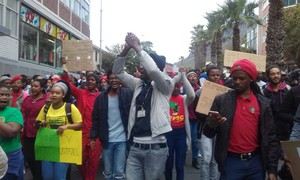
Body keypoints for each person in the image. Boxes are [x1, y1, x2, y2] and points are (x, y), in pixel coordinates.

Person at [203, 59, 279, 180]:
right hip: (230, 163)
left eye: (242, 79)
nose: (237, 82)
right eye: (234, 78)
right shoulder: (221, 100)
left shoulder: (263, 103)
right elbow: (207, 132)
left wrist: (272, 169)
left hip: (256, 163)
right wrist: (211, 124)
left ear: (251, 78)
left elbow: (271, 137)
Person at [113, 32, 174, 180]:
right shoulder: (138, 84)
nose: (141, 69)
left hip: (156, 149)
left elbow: (153, 70)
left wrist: (136, 46)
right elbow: (117, 72)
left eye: (143, 66)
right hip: (135, 147)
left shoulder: (165, 85)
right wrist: (126, 49)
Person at [61, 62, 101, 180]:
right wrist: (65, 69)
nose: (90, 81)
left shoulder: (101, 97)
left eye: (93, 80)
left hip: (96, 136)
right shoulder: (81, 93)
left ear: (97, 83)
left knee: (93, 163)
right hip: (80, 133)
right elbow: (68, 84)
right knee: (78, 160)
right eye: (88, 80)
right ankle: (86, 177)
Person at [35, 81, 82, 180]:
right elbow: (37, 122)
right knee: (47, 177)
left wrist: (67, 127)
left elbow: (80, 124)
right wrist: (41, 123)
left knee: (59, 177)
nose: (54, 95)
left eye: (57, 93)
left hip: (64, 147)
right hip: (48, 146)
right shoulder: (46, 107)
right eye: (52, 93)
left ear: (63, 95)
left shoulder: (70, 107)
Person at [90, 71, 133, 180]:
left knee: (119, 173)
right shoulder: (101, 98)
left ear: (120, 80)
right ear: (108, 80)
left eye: (116, 78)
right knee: (108, 173)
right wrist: (93, 137)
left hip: (122, 140)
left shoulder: (128, 94)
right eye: (111, 78)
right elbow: (95, 119)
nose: (114, 80)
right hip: (107, 140)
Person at [165, 69, 193, 180]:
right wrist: (175, 78)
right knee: (168, 163)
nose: (176, 88)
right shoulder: (165, 98)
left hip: (181, 133)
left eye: (178, 86)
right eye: (174, 86)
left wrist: (183, 76)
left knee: (180, 165)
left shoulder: (184, 98)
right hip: (169, 133)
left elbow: (191, 94)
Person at [194, 64, 221, 180]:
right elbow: (197, 112)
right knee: (206, 159)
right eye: (213, 75)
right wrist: (210, 117)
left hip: (219, 130)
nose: (215, 77)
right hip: (205, 129)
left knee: (215, 160)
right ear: (207, 76)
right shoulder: (200, 92)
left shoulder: (224, 92)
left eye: (217, 75)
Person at [21, 79, 48, 180]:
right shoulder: (27, 99)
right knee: (29, 158)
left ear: (41, 88)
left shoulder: (47, 100)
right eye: (32, 86)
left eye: (36, 86)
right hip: (27, 133)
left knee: (40, 159)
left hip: (40, 133)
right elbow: (23, 113)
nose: (33, 88)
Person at [0, 83, 24, 180]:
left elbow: (10, 132)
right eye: (1, 95)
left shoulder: (14, 112)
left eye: (7, 95)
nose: (4, 97)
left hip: (10, 156)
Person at [263, 65, 290, 141]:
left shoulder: (288, 89)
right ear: (268, 76)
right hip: (271, 130)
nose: (276, 76)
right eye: (273, 74)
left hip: (287, 129)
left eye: (278, 73)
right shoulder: (264, 92)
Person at [186, 70, 201, 169]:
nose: (193, 78)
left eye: (194, 76)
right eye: (190, 76)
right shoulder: (183, 89)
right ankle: (181, 158)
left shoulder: (201, 90)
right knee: (185, 141)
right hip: (186, 119)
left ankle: (195, 159)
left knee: (195, 141)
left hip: (196, 119)